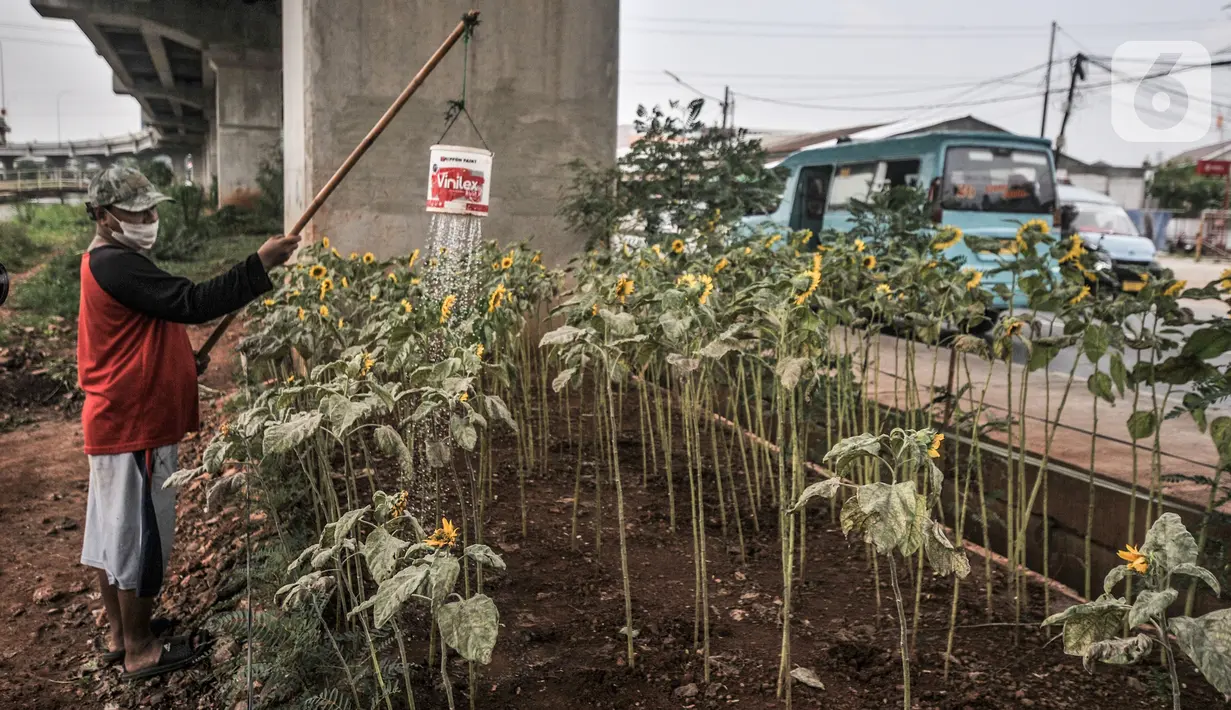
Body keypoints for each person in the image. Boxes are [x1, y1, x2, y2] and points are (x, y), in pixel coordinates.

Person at [77, 164, 299, 681]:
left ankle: (120, 633)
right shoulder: (118, 265)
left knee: (115, 533)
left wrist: (181, 360)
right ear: (106, 216)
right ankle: (139, 649)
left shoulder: (106, 263)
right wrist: (258, 264)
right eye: (139, 212)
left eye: (153, 209)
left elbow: (149, 327)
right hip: (135, 426)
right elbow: (193, 302)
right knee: (139, 539)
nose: (151, 218)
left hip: (117, 420)